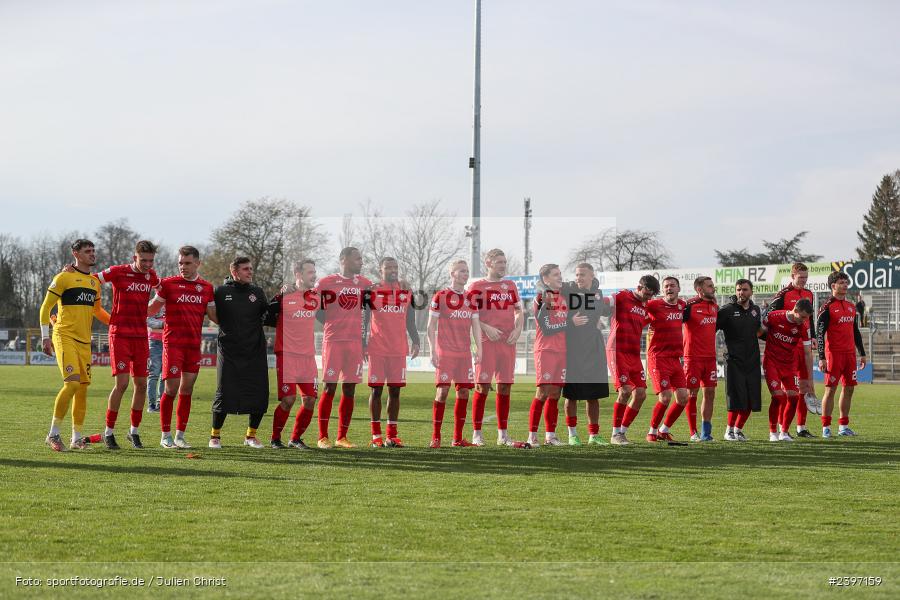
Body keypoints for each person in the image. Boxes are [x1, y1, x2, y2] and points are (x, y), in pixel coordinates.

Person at [39, 239, 110, 451]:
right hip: (64, 336)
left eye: (93, 250)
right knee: (71, 384)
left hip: (84, 342)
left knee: (82, 390)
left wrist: (116, 321)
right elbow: (45, 308)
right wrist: (45, 337)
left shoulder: (95, 283)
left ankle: (76, 438)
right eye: (87, 251)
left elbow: (98, 311)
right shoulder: (63, 277)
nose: (92, 254)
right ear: (75, 254)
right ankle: (53, 434)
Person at [92, 240, 161, 449]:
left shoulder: (152, 276)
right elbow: (91, 280)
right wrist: (71, 273)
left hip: (141, 337)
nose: (148, 264)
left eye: (151, 260)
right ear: (135, 258)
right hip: (119, 335)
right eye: (144, 260)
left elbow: (163, 291)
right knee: (121, 384)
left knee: (141, 385)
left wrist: (153, 310)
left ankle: (134, 432)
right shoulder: (117, 272)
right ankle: (109, 432)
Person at [146, 246, 216, 449]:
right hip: (173, 344)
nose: (183, 267)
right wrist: (133, 304)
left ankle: (180, 436)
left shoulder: (207, 288)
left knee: (187, 390)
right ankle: (165, 436)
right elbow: (151, 309)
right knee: (171, 389)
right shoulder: (168, 284)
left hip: (193, 346)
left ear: (198, 263)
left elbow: (214, 317)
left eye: (187, 263)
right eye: (180, 263)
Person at [209, 257, 270, 449]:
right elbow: (210, 313)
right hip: (229, 351)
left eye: (251, 268)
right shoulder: (221, 291)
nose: (250, 272)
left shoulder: (258, 293)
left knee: (259, 394)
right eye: (245, 269)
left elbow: (269, 315)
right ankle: (215, 437)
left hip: (255, 351)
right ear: (234, 271)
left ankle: (251, 436)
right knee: (224, 392)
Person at [315, 247, 372, 449]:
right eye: (358, 259)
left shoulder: (365, 284)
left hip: (355, 343)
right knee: (329, 386)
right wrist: (332, 322)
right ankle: (323, 437)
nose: (361, 262)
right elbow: (316, 309)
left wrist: (365, 341)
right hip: (333, 341)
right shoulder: (326, 282)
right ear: (343, 260)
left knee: (349, 388)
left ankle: (342, 437)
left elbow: (370, 311)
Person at [467, 249, 524, 446]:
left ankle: (502, 435)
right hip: (486, 343)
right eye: (499, 262)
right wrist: (485, 327)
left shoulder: (510, 285)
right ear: (488, 263)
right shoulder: (476, 286)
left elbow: (519, 311)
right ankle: (477, 433)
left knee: (505, 387)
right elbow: (469, 315)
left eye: (504, 262)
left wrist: (518, 329)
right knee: (482, 387)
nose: (503, 265)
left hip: (507, 343)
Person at [363, 257, 420, 448]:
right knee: (376, 390)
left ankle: (392, 436)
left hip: (398, 349)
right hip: (377, 349)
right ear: (381, 270)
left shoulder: (406, 290)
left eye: (395, 267)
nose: (392, 270)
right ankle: (376, 436)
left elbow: (410, 320)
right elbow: (365, 319)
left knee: (395, 392)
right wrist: (363, 343)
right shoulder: (372, 291)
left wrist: (416, 341)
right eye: (388, 267)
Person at [265, 259, 320, 450]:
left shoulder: (316, 297)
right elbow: (267, 316)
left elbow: (331, 316)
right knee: (288, 400)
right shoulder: (284, 296)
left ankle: (296, 438)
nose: (314, 275)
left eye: (314, 271)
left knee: (310, 400)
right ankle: (275, 438)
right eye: (309, 272)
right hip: (287, 355)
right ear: (298, 275)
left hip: (308, 357)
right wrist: (279, 294)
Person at [427, 259, 482, 447]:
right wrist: (432, 350)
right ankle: (436, 437)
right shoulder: (440, 296)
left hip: (464, 354)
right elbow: (431, 326)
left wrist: (478, 349)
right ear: (452, 274)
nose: (465, 274)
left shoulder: (471, 299)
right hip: (445, 353)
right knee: (442, 392)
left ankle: (457, 438)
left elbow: (475, 327)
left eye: (467, 271)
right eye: (461, 271)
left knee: (464, 393)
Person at [766, 263, 819, 437]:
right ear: (792, 276)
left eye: (806, 277)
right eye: (800, 277)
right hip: (786, 349)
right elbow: (771, 316)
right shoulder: (783, 294)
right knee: (788, 391)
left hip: (802, 344)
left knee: (803, 387)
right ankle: (781, 428)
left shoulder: (809, 294)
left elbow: (808, 319)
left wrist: (812, 337)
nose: (803, 281)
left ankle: (801, 427)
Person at [560, 263, 610, 445]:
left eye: (582, 275)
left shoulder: (598, 293)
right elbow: (545, 286)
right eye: (576, 274)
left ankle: (593, 435)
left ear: (591, 276)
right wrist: (569, 320)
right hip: (573, 349)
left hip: (594, 348)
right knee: (571, 395)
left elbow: (602, 312)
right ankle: (572, 435)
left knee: (593, 395)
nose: (578, 278)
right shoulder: (567, 289)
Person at [606, 275, 658, 445]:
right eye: (646, 293)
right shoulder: (622, 296)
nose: (648, 298)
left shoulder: (645, 305)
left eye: (651, 296)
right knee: (625, 391)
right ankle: (615, 434)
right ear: (639, 287)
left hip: (634, 354)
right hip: (617, 350)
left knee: (641, 394)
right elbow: (605, 302)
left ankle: (622, 432)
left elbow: (643, 321)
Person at [817, 272, 867, 438]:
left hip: (850, 355)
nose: (845, 285)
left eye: (846, 282)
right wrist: (822, 357)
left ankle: (843, 426)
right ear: (833, 286)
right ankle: (826, 428)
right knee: (830, 390)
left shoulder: (852, 306)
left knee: (850, 388)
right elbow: (819, 333)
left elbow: (855, 331)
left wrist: (862, 353)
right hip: (834, 355)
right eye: (841, 283)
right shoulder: (826, 307)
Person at [716, 279, 762, 442]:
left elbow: (759, 332)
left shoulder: (756, 310)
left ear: (751, 292)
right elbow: (711, 328)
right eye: (738, 289)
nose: (741, 292)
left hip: (753, 360)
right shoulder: (727, 310)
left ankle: (738, 429)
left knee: (751, 398)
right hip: (734, 361)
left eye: (744, 289)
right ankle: (728, 431)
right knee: (736, 398)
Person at [761, 299, 814, 442]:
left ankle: (784, 432)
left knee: (794, 397)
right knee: (778, 397)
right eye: (802, 317)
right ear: (795, 311)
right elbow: (759, 332)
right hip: (771, 362)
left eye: (807, 318)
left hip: (789, 365)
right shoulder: (773, 316)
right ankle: (773, 432)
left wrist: (809, 379)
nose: (804, 320)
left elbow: (808, 352)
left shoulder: (803, 326)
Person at [528, 264, 568, 447]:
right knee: (542, 392)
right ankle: (532, 435)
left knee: (555, 394)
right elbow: (546, 328)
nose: (560, 277)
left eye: (560, 274)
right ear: (545, 279)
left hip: (562, 351)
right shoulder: (540, 298)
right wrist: (570, 324)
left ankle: (550, 436)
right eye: (555, 274)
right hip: (545, 350)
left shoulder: (564, 297)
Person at [644, 277, 689, 443]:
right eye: (666, 286)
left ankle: (664, 430)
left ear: (678, 288)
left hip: (675, 358)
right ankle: (652, 432)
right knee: (665, 397)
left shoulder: (682, 305)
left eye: (672, 286)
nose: (669, 288)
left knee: (684, 397)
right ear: (662, 290)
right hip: (658, 357)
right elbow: (640, 312)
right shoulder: (654, 305)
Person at [683, 276, 719, 442]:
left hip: (710, 358)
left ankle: (706, 433)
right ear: (700, 289)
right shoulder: (689, 306)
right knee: (692, 393)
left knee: (710, 393)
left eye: (713, 285)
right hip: (693, 357)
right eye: (710, 286)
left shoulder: (715, 306)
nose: (713, 288)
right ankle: (693, 433)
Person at [146, 307, 165, 413]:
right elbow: (149, 321)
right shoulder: (154, 304)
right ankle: (152, 405)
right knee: (154, 374)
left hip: (169, 341)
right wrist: (164, 325)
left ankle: (161, 404)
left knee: (165, 376)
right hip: (155, 342)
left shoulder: (174, 302)